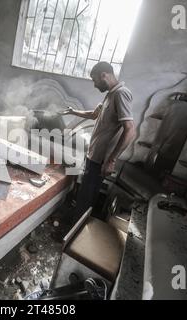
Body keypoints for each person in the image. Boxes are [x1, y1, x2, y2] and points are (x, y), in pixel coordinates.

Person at [63, 62, 136, 220]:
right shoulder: (111, 94)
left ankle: (74, 232)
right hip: (94, 155)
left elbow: (130, 129)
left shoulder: (121, 94)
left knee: (87, 196)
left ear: (104, 75)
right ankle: (76, 225)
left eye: (94, 79)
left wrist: (111, 160)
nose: (94, 84)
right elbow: (94, 114)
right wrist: (73, 111)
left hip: (101, 159)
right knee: (85, 194)